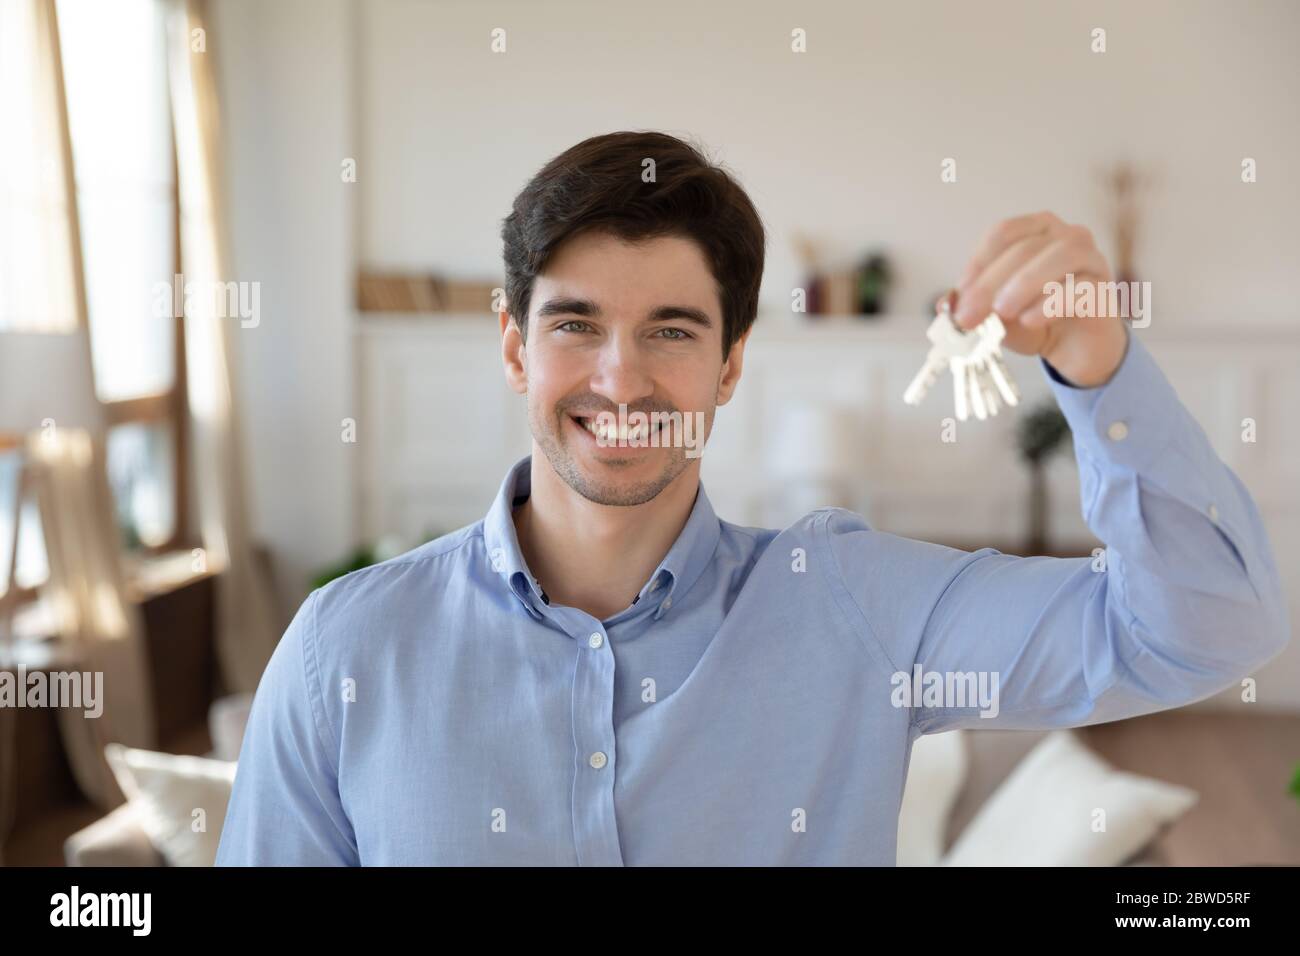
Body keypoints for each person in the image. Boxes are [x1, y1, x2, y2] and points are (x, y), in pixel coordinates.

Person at [215, 131, 1289, 866]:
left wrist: (1098, 364)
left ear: (730, 365)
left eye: (672, 331)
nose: (621, 377)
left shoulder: (855, 607)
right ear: (514, 345)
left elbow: (1205, 627)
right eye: (576, 323)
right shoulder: (344, 650)